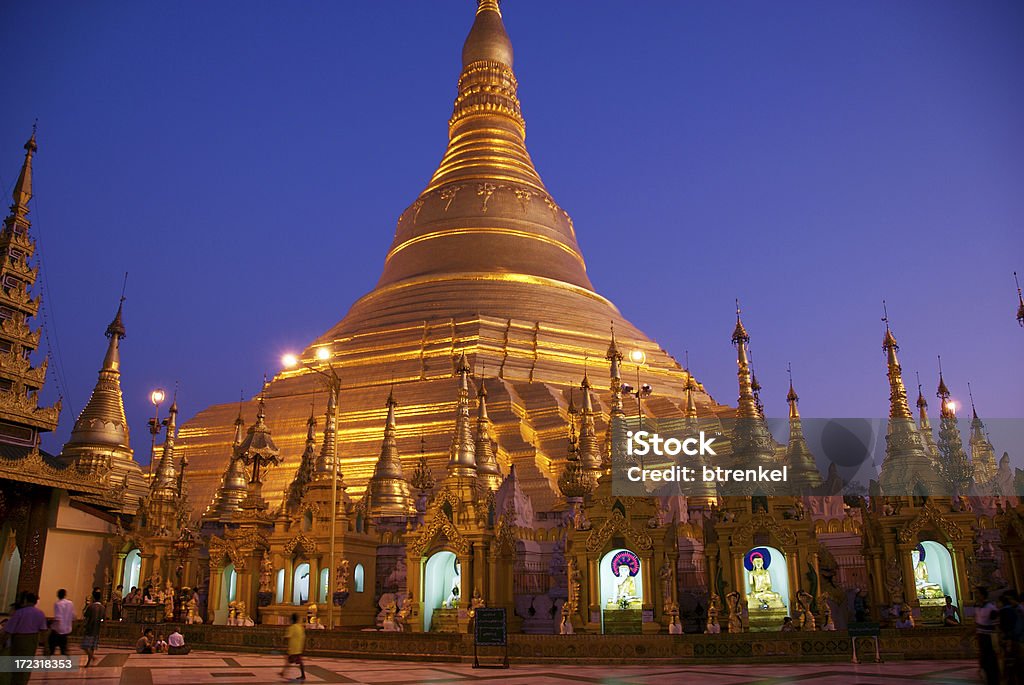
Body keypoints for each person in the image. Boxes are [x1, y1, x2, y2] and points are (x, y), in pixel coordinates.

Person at [0, 592, 49, 685]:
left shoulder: (20, 613)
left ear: (25, 600)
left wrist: (1, 643)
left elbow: (8, 631)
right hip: (32, 641)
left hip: (19, 641)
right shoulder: (40, 613)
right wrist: (46, 646)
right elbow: (44, 631)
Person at [975, 588, 999, 685]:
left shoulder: (991, 608)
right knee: (983, 657)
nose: (975, 596)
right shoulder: (977, 607)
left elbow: (996, 625)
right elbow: (976, 623)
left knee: (991, 659)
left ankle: (993, 679)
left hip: (989, 636)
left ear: (982, 595)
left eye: (977, 594)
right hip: (981, 636)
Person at [999, 590, 1021, 685]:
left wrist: (1007, 639)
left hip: (1012, 639)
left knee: (1010, 662)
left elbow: (1007, 626)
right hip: (1015, 639)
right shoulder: (1015, 609)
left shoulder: (1005, 611)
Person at [47, 588, 74, 656]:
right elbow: (73, 616)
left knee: (51, 647)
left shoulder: (58, 604)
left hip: (57, 629)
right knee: (63, 648)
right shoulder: (70, 603)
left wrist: (50, 623)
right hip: (66, 630)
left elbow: (58, 617)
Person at [82, 589, 104, 667]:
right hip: (97, 629)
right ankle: (89, 661)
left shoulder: (91, 606)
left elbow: (86, 616)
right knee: (92, 647)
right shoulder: (102, 607)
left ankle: (92, 657)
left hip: (90, 629)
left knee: (85, 646)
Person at [282, 612, 306, 681]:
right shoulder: (300, 627)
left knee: (290, 661)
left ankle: (302, 675)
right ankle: (283, 672)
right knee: (292, 661)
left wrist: (283, 642)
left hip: (293, 648)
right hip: (299, 648)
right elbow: (303, 637)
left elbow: (287, 637)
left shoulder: (291, 628)